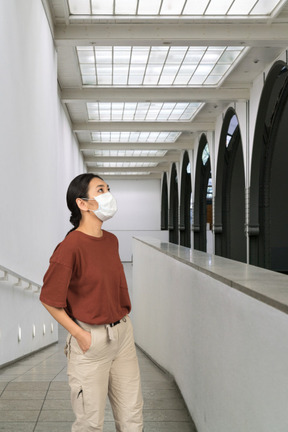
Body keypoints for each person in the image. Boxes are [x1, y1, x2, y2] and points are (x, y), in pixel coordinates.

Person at [40, 173, 143, 432]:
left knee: (132, 417)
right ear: (82, 204)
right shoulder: (70, 246)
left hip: (122, 336)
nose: (109, 194)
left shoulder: (111, 241)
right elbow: (50, 299)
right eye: (100, 190)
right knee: (90, 424)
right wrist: (80, 335)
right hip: (90, 341)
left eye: (109, 188)